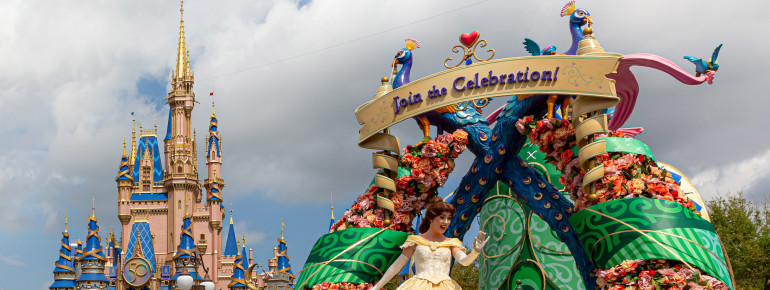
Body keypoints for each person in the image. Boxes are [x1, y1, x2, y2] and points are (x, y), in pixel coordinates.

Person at [371, 196, 489, 290]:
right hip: (418, 286)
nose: (446, 222)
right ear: (431, 218)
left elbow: (464, 261)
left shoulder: (452, 243)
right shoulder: (415, 240)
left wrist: (475, 252)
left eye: (449, 218)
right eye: (442, 217)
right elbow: (397, 266)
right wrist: (377, 287)